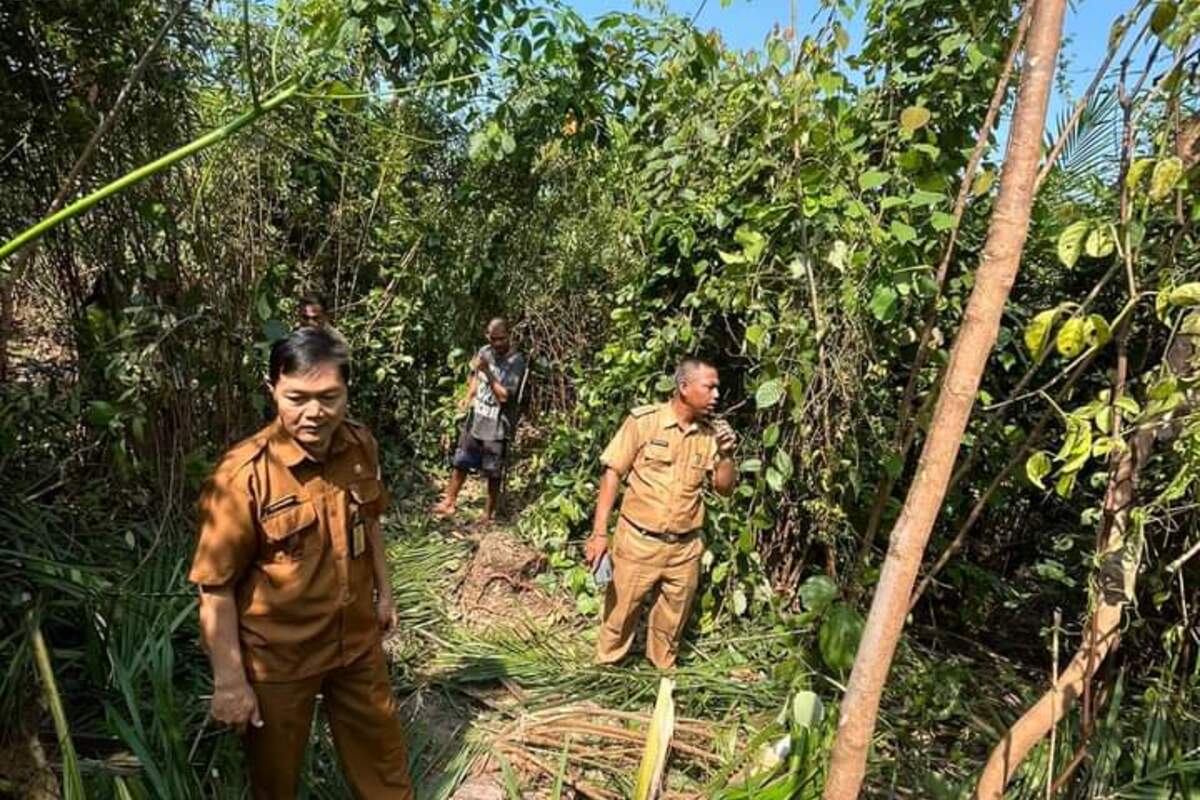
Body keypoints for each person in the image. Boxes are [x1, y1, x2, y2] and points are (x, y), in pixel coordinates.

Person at [188, 328, 413, 799]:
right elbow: (215, 587)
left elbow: (370, 521)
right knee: (276, 779)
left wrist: (385, 594)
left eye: (329, 396)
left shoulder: (359, 445)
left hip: (355, 641)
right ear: (273, 390)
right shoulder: (242, 476)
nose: (314, 413)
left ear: (347, 392)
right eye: (297, 397)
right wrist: (230, 682)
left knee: (384, 762)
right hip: (279, 659)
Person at [584, 358, 738, 670]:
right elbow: (612, 473)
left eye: (717, 387)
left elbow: (724, 488)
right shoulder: (645, 422)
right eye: (710, 387)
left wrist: (726, 455)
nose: (717, 394)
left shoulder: (710, 436)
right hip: (639, 543)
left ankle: (660, 681)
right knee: (619, 617)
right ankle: (605, 672)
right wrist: (600, 533)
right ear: (684, 387)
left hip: (684, 549)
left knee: (671, 626)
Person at [433, 318, 527, 523]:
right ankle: (449, 501)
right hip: (477, 417)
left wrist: (488, 371)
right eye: (493, 339)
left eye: (501, 339)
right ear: (487, 336)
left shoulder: (516, 361)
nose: (497, 343)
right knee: (461, 461)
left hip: (497, 425)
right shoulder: (484, 351)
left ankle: (487, 514)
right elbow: (475, 376)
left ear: (509, 335)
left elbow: (503, 396)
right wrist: (468, 397)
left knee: (493, 471)